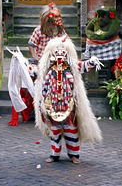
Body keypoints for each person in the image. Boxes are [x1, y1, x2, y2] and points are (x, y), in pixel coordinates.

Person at [34, 36, 103, 164]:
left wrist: (92, 62)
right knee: (54, 131)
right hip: (53, 106)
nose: (60, 54)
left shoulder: (71, 69)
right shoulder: (49, 72)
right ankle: (54, 155)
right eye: (56, 51)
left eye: (63, 51)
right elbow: (41, 81)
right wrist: (41, 102)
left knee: (71, 129)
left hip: (68, 106)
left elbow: (81, 66)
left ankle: (74, 154)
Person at [8, 3, 68, 126]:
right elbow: (31, 45)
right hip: (40, 62)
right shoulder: (39, 30)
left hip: (56, 61)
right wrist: (35, 56)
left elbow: (66, 43)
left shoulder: (60, 31)